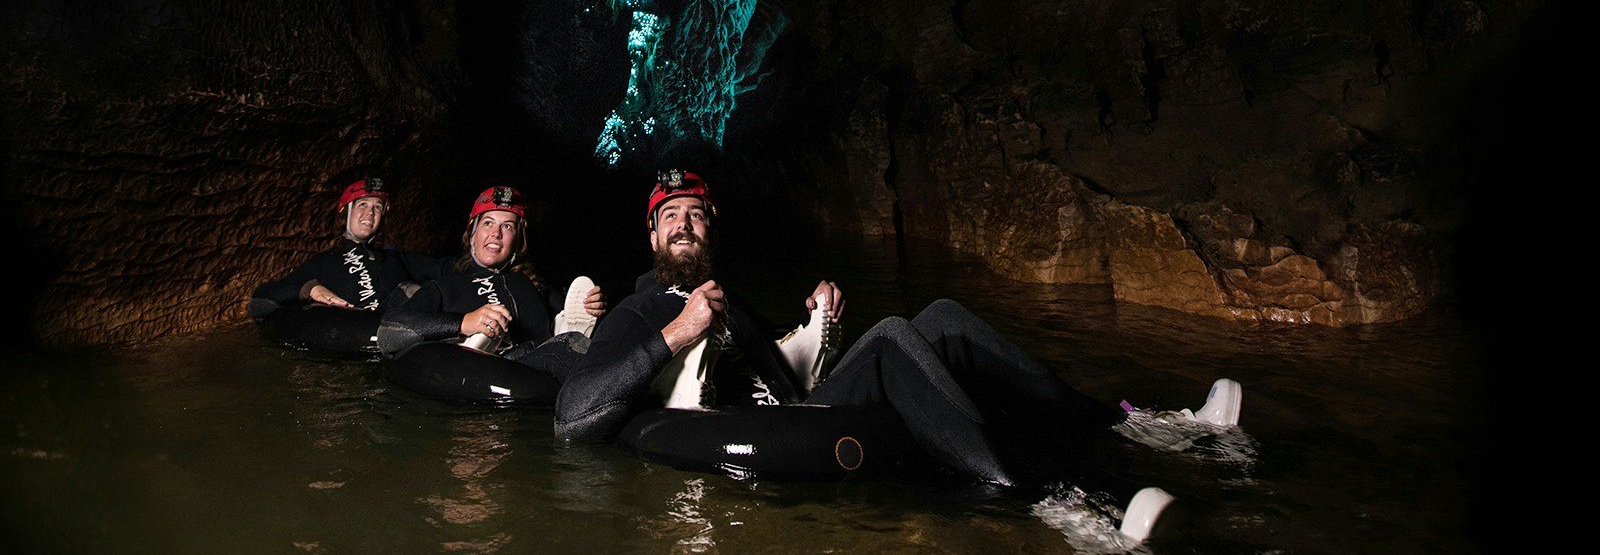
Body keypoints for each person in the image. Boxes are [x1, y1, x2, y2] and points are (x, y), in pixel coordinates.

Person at [555, 169, 1235, 541]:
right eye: (669, 215)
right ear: (650, 234)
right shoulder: (638, 309)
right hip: (755, 441)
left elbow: (790, 379)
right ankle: (1064, 504)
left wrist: (815, 325)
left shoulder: (735, 305)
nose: (683, 223)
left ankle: (1133, 425)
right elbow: (572, 417)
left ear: (711, 230)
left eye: (695, 214)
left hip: (802, 419)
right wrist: (676, 331)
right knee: (892, 341)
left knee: (938, 317)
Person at [377, 185, 607, 381]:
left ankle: (565, 336)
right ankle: (472, 349)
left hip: (538, 369)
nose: (496, 233)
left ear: (517, 239)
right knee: (568, 349)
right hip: (485, 377)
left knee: (573, 340)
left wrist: (592, 306)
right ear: (473, 232)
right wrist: (463, 322)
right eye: (488, 223)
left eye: (507, 226)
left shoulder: (533, 285)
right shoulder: (445, 286)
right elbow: (389, 333)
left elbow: (587, 319)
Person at [249, 177, 449, 317]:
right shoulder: (324, 263)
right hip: (353, 338)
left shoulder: (394, 257)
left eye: (377, 207)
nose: (370, 213)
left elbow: (445, 268)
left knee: (414, 290)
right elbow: (265, 293)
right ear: (346, 212)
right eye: (363, 204)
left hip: (402, 337)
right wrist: (310, 288)